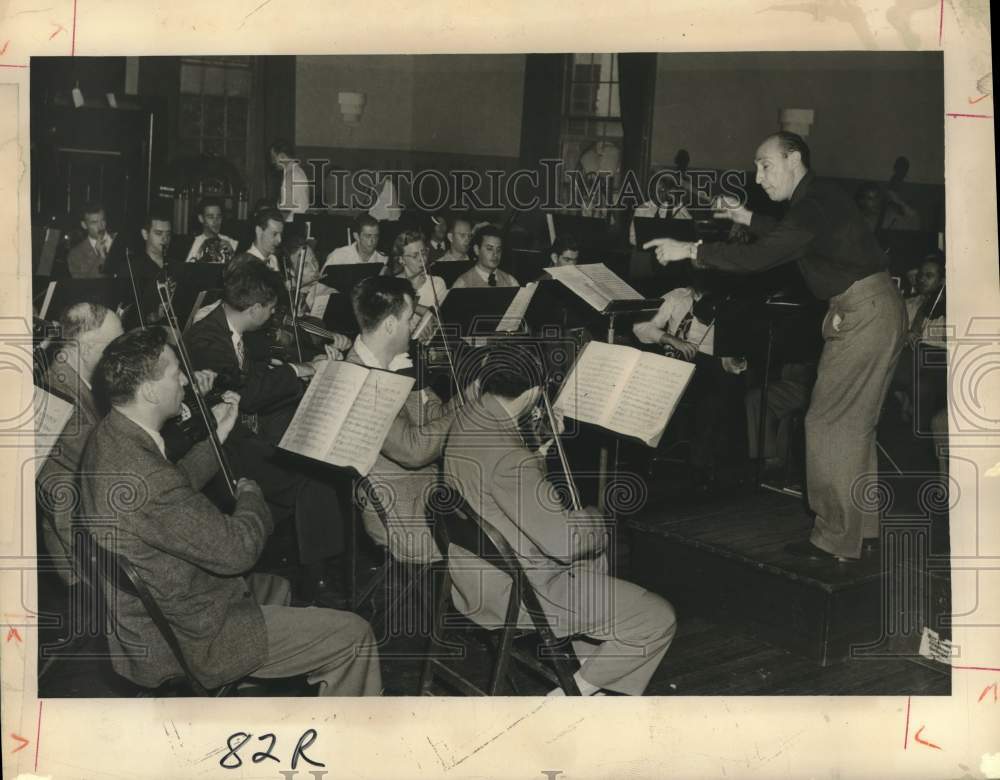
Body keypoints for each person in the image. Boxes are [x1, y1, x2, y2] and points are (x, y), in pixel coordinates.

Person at [644, 131, 907, 561]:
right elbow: (793, 236)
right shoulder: (819, 200)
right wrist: (746, 218)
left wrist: (690, 248)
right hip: (873, 307)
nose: (758, 177)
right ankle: (862, 534)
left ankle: (834, 540)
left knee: (826, 423)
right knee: (853, 426)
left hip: (864, 312)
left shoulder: (813, 202)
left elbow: (762, 256)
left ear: (794, 158)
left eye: (765, 165)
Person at [80, 327, 380, 695]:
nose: (186, 383)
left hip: (153, 617)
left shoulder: (110, 436)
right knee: (353, 635)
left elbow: (166, 487)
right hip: (195, 637)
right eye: (176, 374)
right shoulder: (150, 480)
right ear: (150, 391)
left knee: (279, 587)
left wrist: (213, 441)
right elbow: (238, 552)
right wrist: (252, 495)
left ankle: (246, 703)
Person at [444, 342, 677, 695]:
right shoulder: (511, 458)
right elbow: (565, 545)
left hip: (471, 574)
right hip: (515, 594)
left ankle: (592, 663)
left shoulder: (469, 414)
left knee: (593, 559)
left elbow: (496, 479)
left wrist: (535, 456)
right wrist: (597, 520)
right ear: (536, 392)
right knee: (656, 617)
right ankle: (573, 694)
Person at [184, 260, 351, 607]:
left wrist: (310, 361)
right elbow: (250, 392)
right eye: (272, 308)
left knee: (313, 451)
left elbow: (260, 373)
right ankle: (315, 580)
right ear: (256, 308)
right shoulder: (205, 338)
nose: (276, 315)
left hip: (247, 433)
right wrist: (301, 369)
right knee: (312, 476)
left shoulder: (239, 331)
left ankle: (295, 554)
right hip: (223, 450)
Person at [344, 276, 471, 563]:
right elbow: (414, 451)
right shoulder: (358, 379)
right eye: (409, 318)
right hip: (401, 508)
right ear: (389, 325)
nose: (415, 326)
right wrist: (468, 410)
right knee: (500, 521)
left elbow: (433, 417)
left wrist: (472, 395)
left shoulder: (397, 362)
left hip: (426, 486)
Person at [36, 303, 124, 584]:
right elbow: (110, 461)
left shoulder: (80, 380)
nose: (123, 356)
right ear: (86, 348)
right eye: (115, 346)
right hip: (84, 554)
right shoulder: (57, 393)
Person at [387, 230, 447, 309]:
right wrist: (413, 289)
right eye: (415, 255)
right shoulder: (391, 285)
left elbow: (436, 318)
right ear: (401, 259)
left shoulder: (437, 283)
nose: (421, 259)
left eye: (423, 253)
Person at [452, 225, 519, 288]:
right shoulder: (462, 284)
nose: (495, 254)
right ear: (477, 250)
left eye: (498, 250)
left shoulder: (511, 282)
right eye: (489, 249)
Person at [66, 202, 118, 278]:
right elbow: (84, 285)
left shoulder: (117, 240)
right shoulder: (75, 255)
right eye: (94, 222)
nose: (100, 226)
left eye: (102, 220)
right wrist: (101, 257)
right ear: (84, 225)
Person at [269, 139, 313, 222]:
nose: (272, 162)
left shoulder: (290, 174)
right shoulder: (299, 171)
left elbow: (286, 210)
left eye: (274, 157)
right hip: (301, 221)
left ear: (282, 156)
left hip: (292, 224)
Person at [322, 215, 387, 269]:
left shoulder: (383, 259)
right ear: (356, 236)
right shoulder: (338, 256)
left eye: (376, 236)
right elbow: (321, 283)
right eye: (368, 236)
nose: (373, 240)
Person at [185, 197, 238, 263]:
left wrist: (233, 255)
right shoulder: (191, 244)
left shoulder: (232, 243)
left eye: (219, 216)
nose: (216, 221)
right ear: (201, 218)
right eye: (211, 217)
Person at [855, 181, 921, 233]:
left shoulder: (889, 216)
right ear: (862, 201)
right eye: (870, 198)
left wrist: (899, 201)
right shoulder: (857, 219)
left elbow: (915, 221)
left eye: (877, 197)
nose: (876, 202)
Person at [244, 207, 284, 272]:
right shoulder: (247, 264)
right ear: (259, 231)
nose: (279, 240)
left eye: (281, 234)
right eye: (274, 234)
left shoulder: (273, 259)